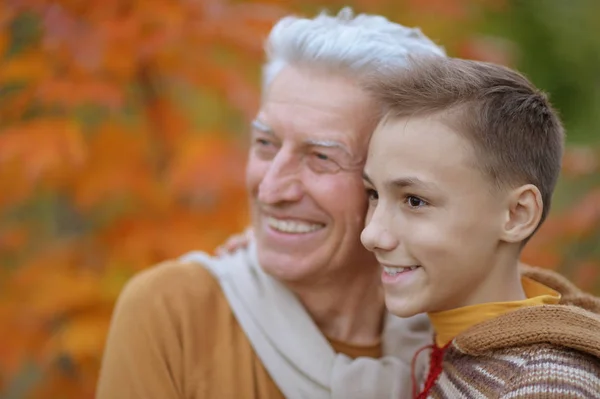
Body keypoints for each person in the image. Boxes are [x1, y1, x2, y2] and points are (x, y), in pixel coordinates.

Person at [96, 8, 448, 399]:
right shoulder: (173, 313)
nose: (271, 189)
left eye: (321, 157)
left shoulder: (463, 331)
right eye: (266, 144)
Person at [360, 55, 600, 398]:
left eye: (414, 200)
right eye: (373, 193)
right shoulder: (444, 342)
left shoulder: (543, 387)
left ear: (516, 215)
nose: (370, 234)